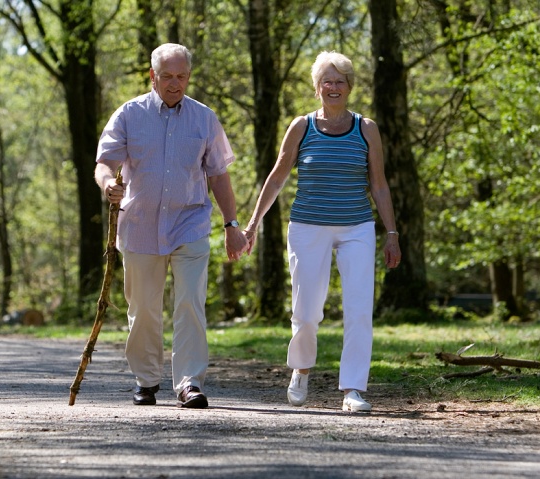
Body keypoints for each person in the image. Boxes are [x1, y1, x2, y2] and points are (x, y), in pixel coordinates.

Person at [243, 51, 401, 412]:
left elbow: (379, 185)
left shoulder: (367, 128)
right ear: (317, 88)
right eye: (326, 81)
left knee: (359, 307)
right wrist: (253, 223)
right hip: (307, 226)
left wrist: (391, 233)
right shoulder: (302, 126)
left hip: (357, 227)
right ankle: (301, 368)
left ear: (349, 88)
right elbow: (278, 176)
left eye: (340, 81)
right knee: (307, 309)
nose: (333, 87)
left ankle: (353, 389)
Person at [95, 43, 248, 409]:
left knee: (190, 304)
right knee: (144, 308)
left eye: (181, 76)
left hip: (189, 223)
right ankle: (146, 380)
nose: (175, 83)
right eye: (167, 76)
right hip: (140, 226)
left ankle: (189, 382)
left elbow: (219, 175)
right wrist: (107, 185)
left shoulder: (204, 118)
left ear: (189, 77)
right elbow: (105, 162)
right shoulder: (129, 115)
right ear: (153, 76)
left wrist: (231, 224)